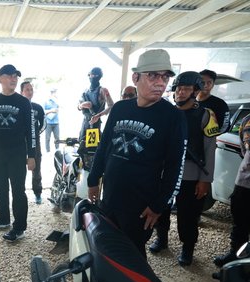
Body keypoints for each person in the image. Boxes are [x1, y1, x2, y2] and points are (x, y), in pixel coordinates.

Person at [87, 49, 186, 258]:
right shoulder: (120, 108)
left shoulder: (173, 117)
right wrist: (93, 179)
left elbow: (176, 166)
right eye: (153, 75)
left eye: (165, 77)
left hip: (141, 206)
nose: (161, 82)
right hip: (111, 196)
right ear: (136, 77)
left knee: (132, 255)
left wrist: (159, 205)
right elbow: (104, 147)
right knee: (107, 247)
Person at [149, 71, 218, 266]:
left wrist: (206, 180)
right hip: (165, 171)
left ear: (195, 91)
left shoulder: (206, 115)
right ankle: (161, 239)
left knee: (188, 214)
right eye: (178, 88)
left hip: (191, 173)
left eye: (186, 88)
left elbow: (209, 149)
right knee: (160, 207)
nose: (180, 92)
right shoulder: (166, 113)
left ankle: (188, 248)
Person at [0, 64, 36, 242]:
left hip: (17, 154)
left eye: (15, 76)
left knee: (18, 191)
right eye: (10, 76)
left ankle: (19, 227)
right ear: (0, 79)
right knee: (0, 188)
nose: (13, 79)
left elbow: (31, 131)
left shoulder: (23, 102)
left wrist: (31, 155)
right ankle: (3, 218)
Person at [213, 113, 250, 267]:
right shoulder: (247, 120)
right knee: (240, 223)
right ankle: (236, 257)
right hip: (245, 183)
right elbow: (244, 149)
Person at [21, 81, 45, 204]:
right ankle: (19, 193)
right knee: (19, 168)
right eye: (27, 90)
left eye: (31, 89)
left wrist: (35, 133)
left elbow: (43, 124)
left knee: (36, 167)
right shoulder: (18, 106)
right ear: (21, 92)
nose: (30, 92)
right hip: (19, 142)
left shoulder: (38, 107)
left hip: (35, 142)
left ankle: (37, 193)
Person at [78, 67, 114, 145]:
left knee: (91, 148)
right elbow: (78, 106)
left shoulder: (103, 90)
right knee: (81, 144)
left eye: (94, 75)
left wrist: (98, 116)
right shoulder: (85, 91)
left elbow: (111, 105)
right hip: (85, 122)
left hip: (94, 124)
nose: (92, 77)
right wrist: (82, 105)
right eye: (91, 75)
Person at [197, 69, 230, 135]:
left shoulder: (220, 104)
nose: (205, 85)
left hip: (208, 143)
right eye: (202, 82)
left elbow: (225, 127)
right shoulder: (190, 101)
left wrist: (211, 138)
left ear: (213, 85)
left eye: (209, 82)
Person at [44, 88, 59, 152]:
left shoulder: (57, 101)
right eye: (54, 92)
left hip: (56, 122)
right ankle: (48, 151)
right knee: (47, 138)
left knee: (57, 138)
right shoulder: (46, 101)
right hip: (48, 122)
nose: (55, 94)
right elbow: (43, 111)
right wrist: (51, 110)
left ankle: (57, 150)